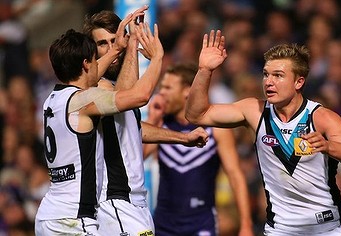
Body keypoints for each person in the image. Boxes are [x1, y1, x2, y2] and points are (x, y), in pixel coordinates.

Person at [185, 30, 341, 235]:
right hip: (280, 229)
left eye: (278, 76)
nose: (268, 82)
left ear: (299, 82)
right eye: (266, 74)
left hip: (328, 228)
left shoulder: (321, 117)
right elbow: (196, 115)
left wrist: (328, 146)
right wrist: (204, 70)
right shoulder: (254, 111)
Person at [83, 10, 208, 236]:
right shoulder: (95, 87)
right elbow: (131, 97)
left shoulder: (112, 83)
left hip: (132, 201)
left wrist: (182, 138)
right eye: (103, 44)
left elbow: (133, 128)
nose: (112, 47)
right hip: (113, 200)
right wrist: (142, 51)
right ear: (92, 51)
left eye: (115, 39)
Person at [34, 13, 160, 235]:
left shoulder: (52, 101)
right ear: (86, 64)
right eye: (95, 59)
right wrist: (157, 57)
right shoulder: (85, 101)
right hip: (72, 218)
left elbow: (86, 77)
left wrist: (116, 49)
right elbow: (138, 97)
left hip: (49, 214)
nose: (100, 64)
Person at [144, 63, 254, 236]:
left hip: (202, 222)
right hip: (163, 223)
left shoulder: (216, 127)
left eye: (167, 88)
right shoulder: (161, 124)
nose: (161, 93)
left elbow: (235, 174)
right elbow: (139, 157)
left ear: (187, 91)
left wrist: (246, 225)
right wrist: (152, 118)